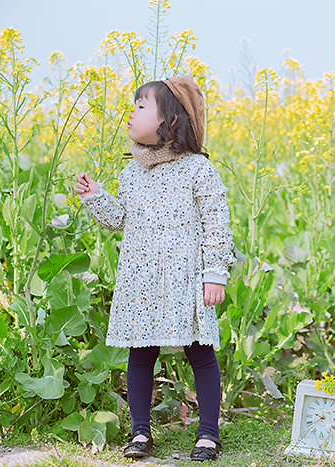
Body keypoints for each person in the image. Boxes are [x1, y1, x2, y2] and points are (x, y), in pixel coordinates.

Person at [74, 75, 236, 462]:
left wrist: (214, 273)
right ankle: (141, 432)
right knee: (140, 353)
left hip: (186, 279)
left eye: (140, 107)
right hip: (141, 280)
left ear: (171, 122)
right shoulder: (131, 173)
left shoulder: (197, 169)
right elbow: (122, 220)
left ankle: (208, 434)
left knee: (200, 350)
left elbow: (217, 221)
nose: (130, 114)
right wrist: (96, 197)